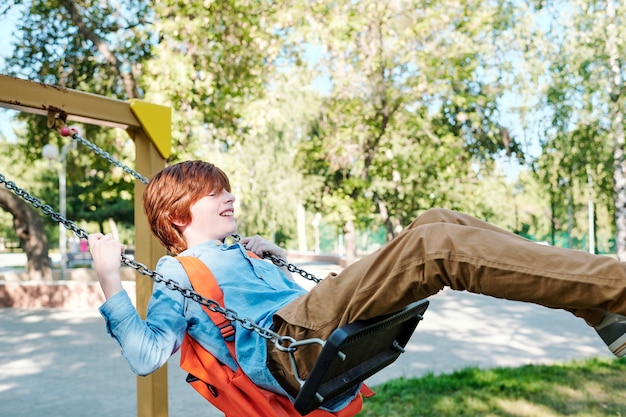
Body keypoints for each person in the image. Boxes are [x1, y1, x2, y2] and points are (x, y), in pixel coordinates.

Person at [89, 160, 626, 412]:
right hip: (289, 345)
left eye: (227, 188)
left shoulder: (241, 252)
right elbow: (145, 355)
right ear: (178, 213)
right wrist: (110, 276)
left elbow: (281, 294)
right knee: (434, 247)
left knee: (437, 219)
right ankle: (618, 290)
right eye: (214, 194)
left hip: (307, 316)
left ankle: (597, 309)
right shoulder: (177, 273)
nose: (229, 197)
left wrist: (273, 260)